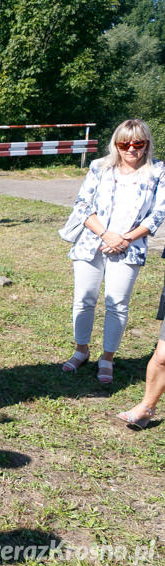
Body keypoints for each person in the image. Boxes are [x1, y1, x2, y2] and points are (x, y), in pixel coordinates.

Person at [61, 119, 165, 383]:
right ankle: (81, 350)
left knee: (117, 304)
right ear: (116, 144)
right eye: (124, 143)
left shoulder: (158, 172)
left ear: (147, 144)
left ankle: (107, 357)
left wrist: (125, 239)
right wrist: (105, 234)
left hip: (129, 247)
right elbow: (82, 204)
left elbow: (158, 214)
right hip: (92, 242)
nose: (131, 149)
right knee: (84, 299)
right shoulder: (99, 167)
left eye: (138, 143)